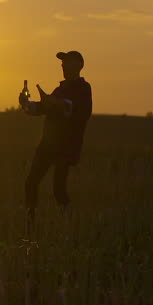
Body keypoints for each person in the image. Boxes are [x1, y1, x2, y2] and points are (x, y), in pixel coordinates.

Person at [20, 50, 92, 218]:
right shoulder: (60, 89)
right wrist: (26, 104)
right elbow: (42, 108)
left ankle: (68, 221)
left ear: (79, 65)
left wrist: (56, 103)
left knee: (58, 190)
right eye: (63, 64)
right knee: (31, 182)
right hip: (47, 144)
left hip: (65, 147)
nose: (63, 66)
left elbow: (81, 112)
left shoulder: (83, 89)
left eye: (67, 63)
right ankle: (30, 221)